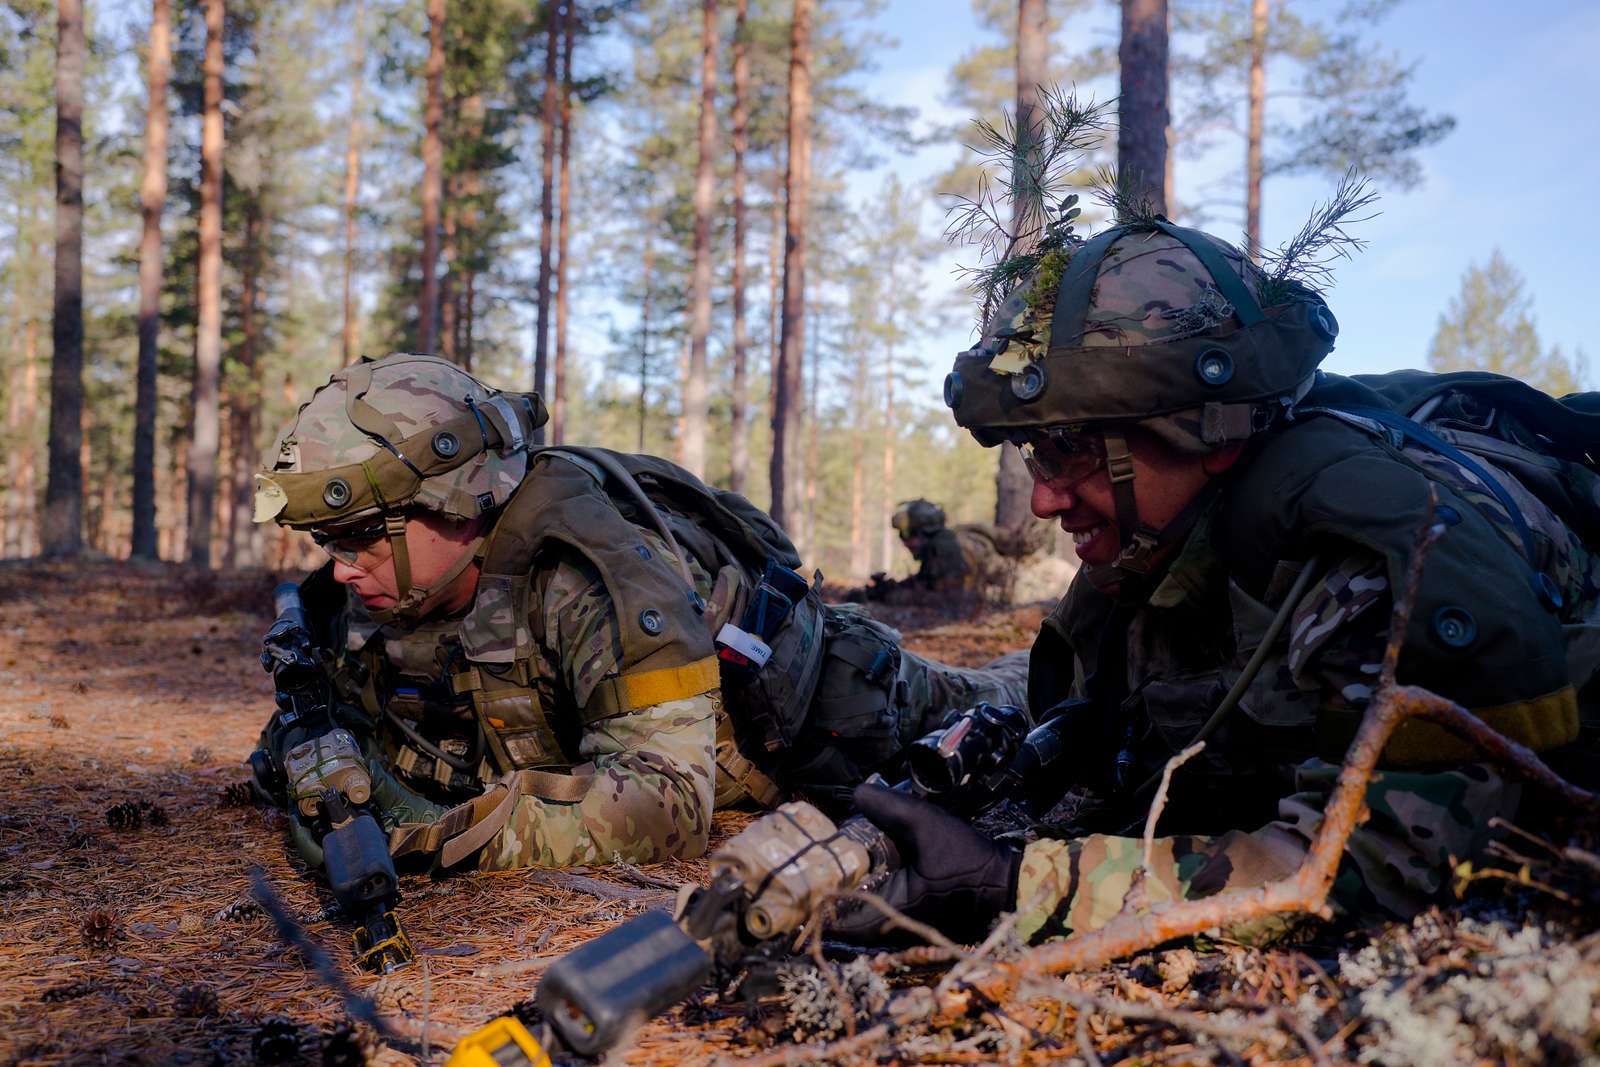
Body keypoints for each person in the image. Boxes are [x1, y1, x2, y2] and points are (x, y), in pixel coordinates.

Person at [831, 212, 1600, 946]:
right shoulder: (1151, 553)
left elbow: (1369, 868)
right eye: (1035, 454)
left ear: (1206, 430)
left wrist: (1011, 882)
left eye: (1068, 448)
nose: (1042, 497)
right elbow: (1086, 723)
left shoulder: (1372, 558)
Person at [249, 353, 1028, 876]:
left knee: (1018, 697)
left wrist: (437, 836)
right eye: (327, 540)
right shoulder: (375, 594)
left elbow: (666, 807)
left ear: (458, 498)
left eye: (360, 537)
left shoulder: (585, 578)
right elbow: (321, 723)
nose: (341, 565)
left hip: (830, 707)